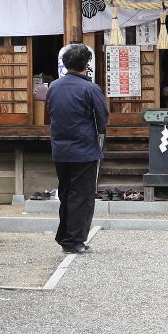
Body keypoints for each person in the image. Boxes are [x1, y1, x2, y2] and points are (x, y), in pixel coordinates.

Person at [45, 42, 107, 254]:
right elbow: (102, 119)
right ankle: (74, 240)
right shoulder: (90, 89)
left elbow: (50, 113)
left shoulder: (53, 87)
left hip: (61, 149)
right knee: (82, 196)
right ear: (86, 65)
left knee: (66, 193)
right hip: (84, 150)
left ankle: (65, 236)